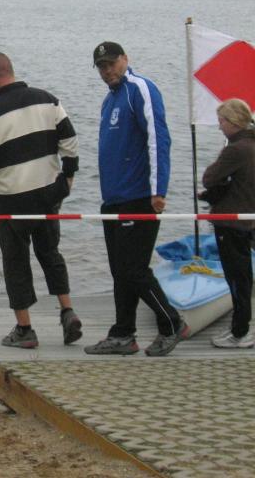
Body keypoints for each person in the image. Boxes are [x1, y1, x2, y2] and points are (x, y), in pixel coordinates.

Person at [0, 52, 81, 348]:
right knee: (50, 253)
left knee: (15, 261)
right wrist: (68, 177)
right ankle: (67, 311)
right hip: (48, 192)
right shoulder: (47, 99)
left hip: (13, 198)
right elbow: (69, 139)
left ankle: (25, 329)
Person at [85, 41, 188, 357]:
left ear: (125, 59)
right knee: (120, 270)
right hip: (114, 198)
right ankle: (123, 333)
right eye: (101, 67)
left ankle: (171, 323)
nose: (107, 71)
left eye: (111, 63)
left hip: (140, 196)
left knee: (134, 269)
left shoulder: (140, 89)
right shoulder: (109, 100)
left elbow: (158, 139)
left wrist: (159, 189)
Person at [201, 98, 255, 349]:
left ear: (233, 122)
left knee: (236, 277)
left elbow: (209, 177)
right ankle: (240, 326)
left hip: (231, 222)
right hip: (247, 218)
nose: (220, 126)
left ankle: (240, 331)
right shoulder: (251, 144)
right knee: (243, 275)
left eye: (221, 121)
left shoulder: (236, 149)